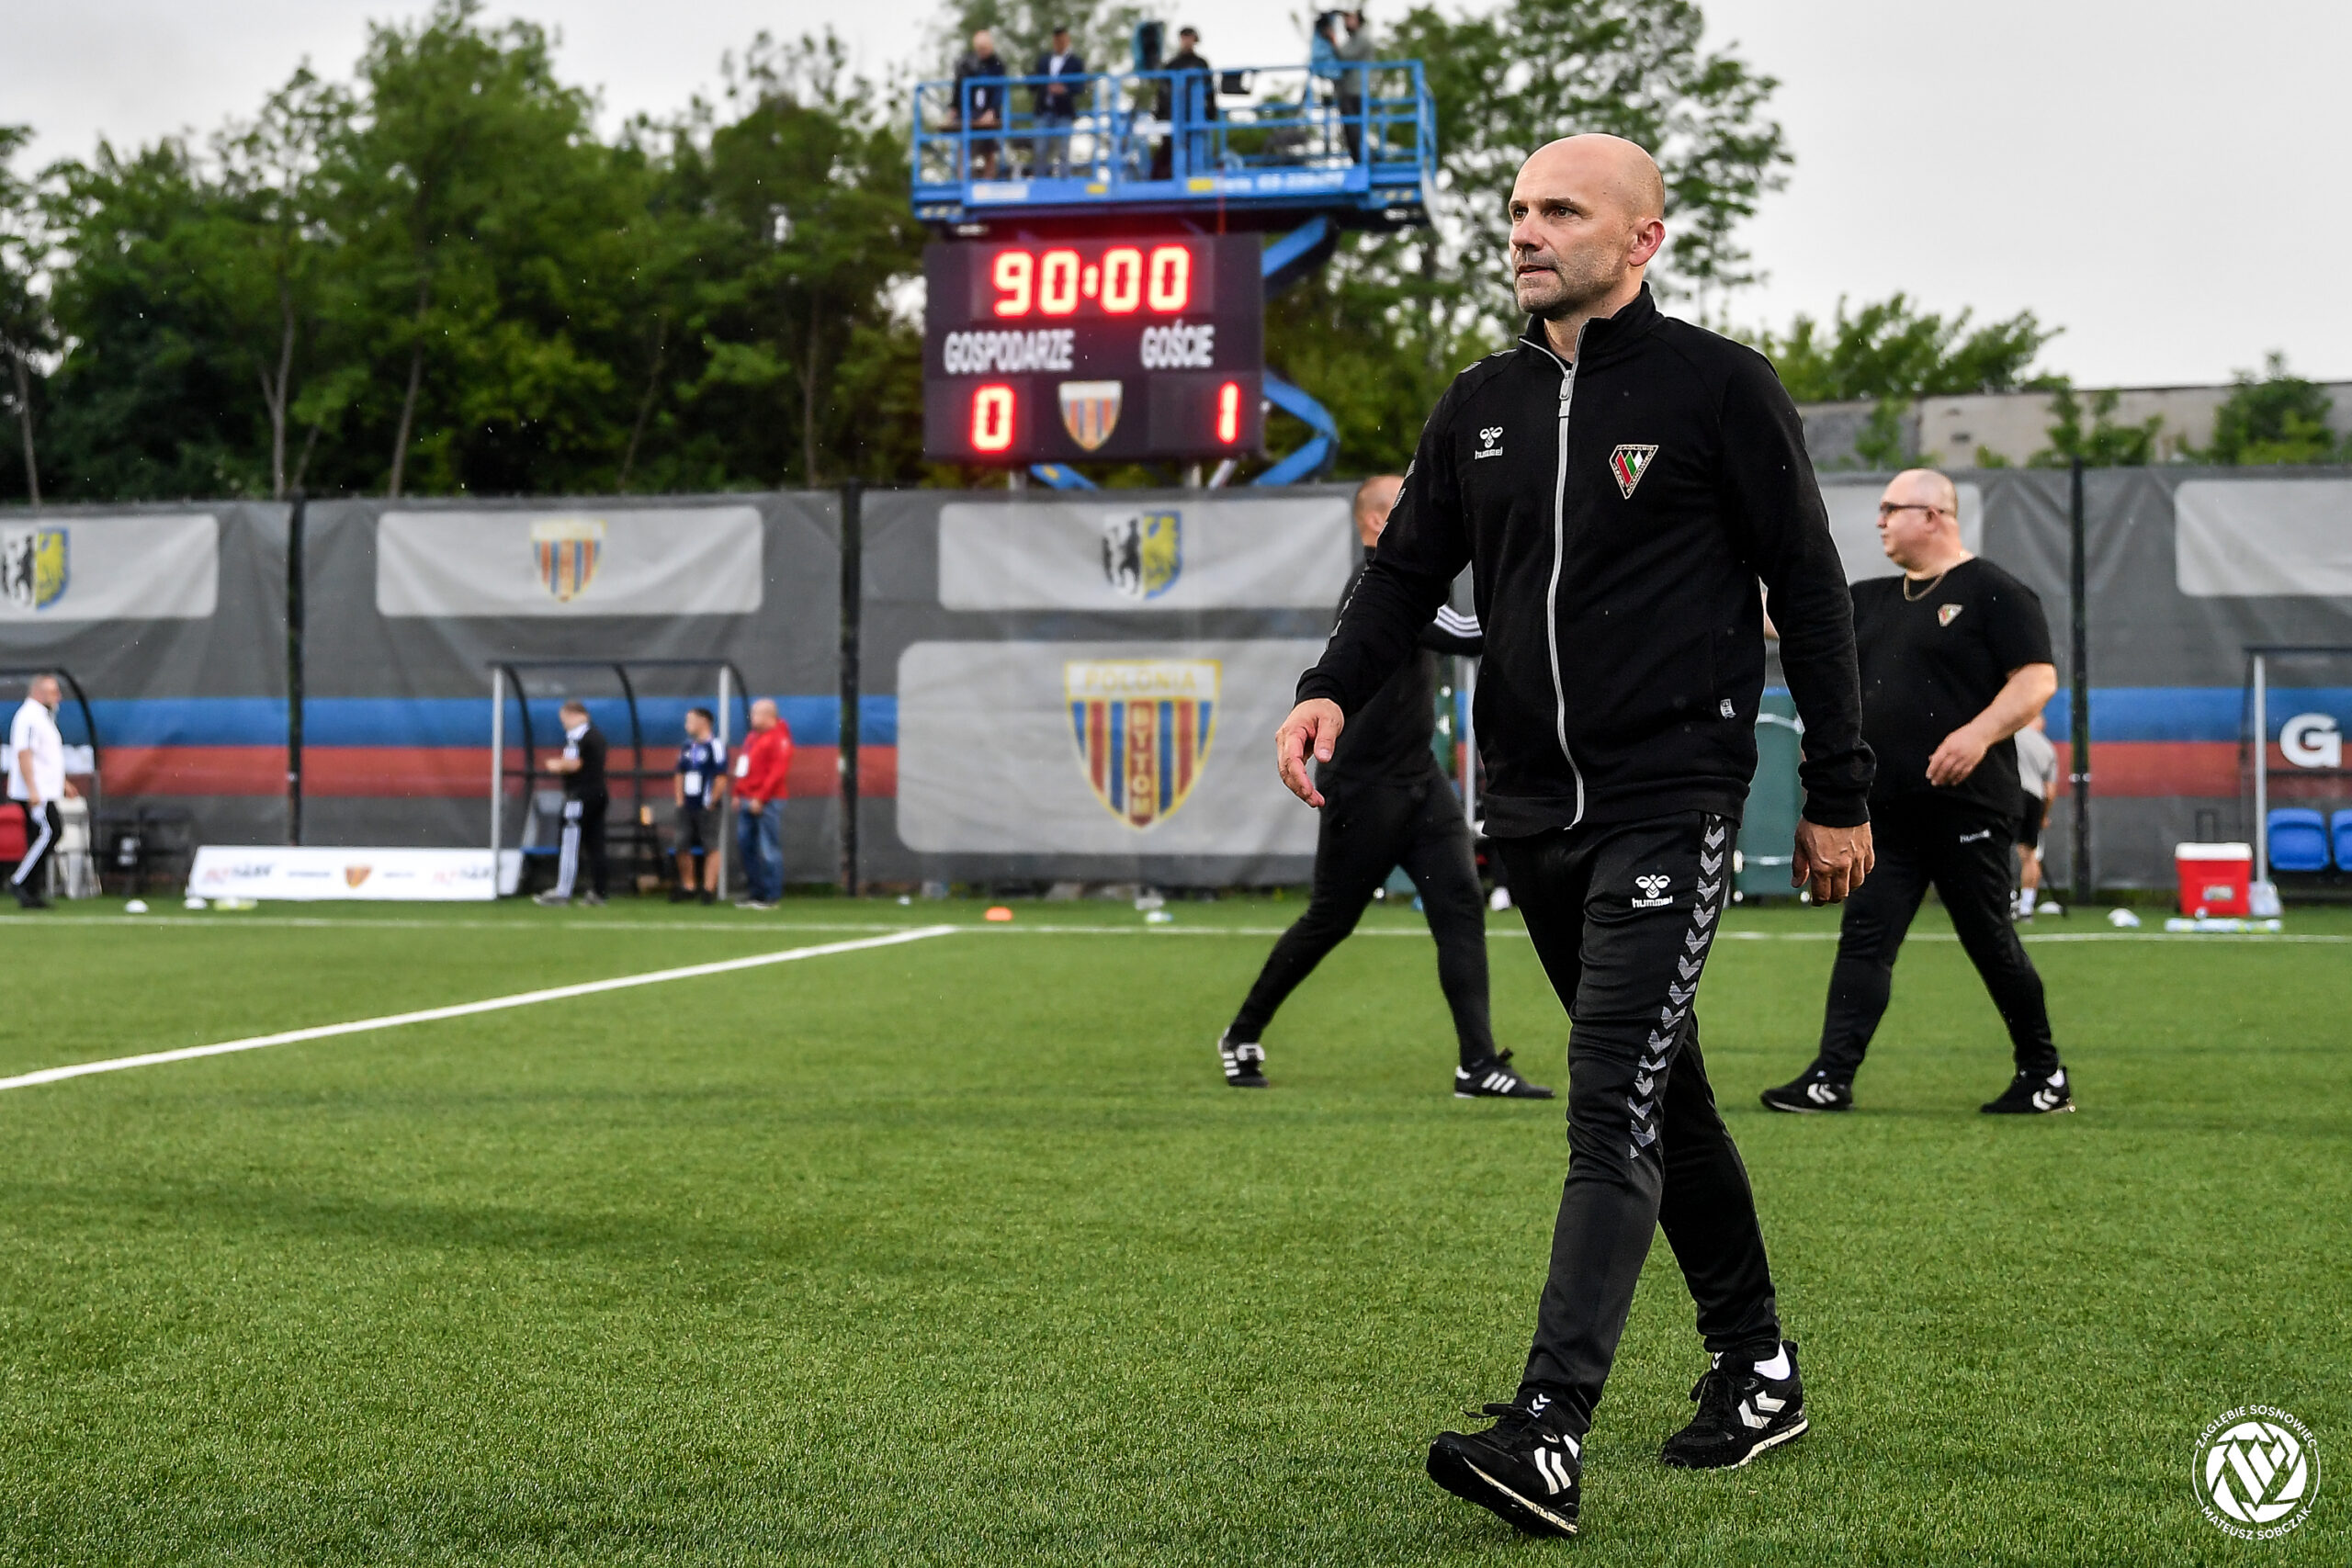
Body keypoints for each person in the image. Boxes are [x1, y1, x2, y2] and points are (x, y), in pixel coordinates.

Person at [1276, 134, 1874, 1538]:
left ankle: (1547, 1427)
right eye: (1517, 210)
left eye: (1560, 210)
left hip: (1672, 796)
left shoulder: (1719, 386)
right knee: (1666, 1092)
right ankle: (1758, 1365)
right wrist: (1326, 686)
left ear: (1643, 238)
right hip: (1530, 809)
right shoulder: (1479, 401)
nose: (1526, 231)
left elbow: (1810, 586)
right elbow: (1403, 574)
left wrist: (1840, 786)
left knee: (1609, 1097)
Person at [1218, 474, 1548, 1101]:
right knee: (1330, 919)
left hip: (1419, 779)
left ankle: (1477, 1063)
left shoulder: (1407, 576)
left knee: (1460, 906)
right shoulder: (1386, 582)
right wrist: (1542, 582)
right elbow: (1469, 634)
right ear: (1375, 523)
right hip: (1363, 787)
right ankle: (1241, 1034)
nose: (1424, 512)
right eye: (1405, 504)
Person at [1761, 469, 2073, 1117]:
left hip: (1966, 807)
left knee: (1989, 939)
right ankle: (1831, 1077)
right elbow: (1788, 621)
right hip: (1888, 812)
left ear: (1933, 515)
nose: (1879, 520)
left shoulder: (1994, 591)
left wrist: (1977, 734)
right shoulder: (1872, 599)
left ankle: (2044, 1074)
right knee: (1864, 941)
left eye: (1890, 508)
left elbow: (2037, 679)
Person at [8, 673, 74, 910]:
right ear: (38, 692)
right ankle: (19, 881)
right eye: (53, 692)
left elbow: (45, 757)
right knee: (51, 831)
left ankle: (31, 892)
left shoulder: (43, 716)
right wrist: (32, 790)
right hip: (37, 791)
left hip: (46, 788)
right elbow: (24, 753)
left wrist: (63, 782)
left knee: (38, 836)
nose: (58, 697)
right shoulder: (28, 716)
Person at [535, 699, 608, 907]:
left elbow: (574, 764)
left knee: (569, 841)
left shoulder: (578, 736)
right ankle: (599, 892)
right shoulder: (597, 735)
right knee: (596, 844)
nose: (564, 724)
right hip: (598, 793)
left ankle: (563, 891)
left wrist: (555, 764)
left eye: (564, 719)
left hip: (579, 796)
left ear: (576, 715)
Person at [731, 698, 793, 910]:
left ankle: (771, 896)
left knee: (768, 849)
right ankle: (755, 893)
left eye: (756, 713)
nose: (752, 717)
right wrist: (737, 792)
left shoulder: (780, 738)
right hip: (747, 799)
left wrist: (761, 797)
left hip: (768, 801)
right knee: (745, 846)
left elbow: (777, 772)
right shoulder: (752, 737)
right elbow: (744, 766)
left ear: (769, 716)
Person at [673, 707, 728, 906]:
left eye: (690, 720)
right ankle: (689, 886)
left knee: (710, 845)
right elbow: (679, 773)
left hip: (707, 806)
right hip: (687, 805)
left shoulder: (715, 746)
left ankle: (708, 889)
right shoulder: (687, 746)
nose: (687, 725)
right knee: (681, 844)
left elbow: (721, 776)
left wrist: (712, 800)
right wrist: (680, 799)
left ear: (703, 721)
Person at [1152, 27, 1215, 179]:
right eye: (1184, 38)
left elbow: (1209, 90)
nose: (1187, 41)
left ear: (1195, 40)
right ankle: (1160, 178)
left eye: (1190, 38)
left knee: (1196, 149)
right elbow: (1162, 92)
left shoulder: (1201, 63)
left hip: (1195, 117)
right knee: (1169, 150)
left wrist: (1211, 112)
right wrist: (1160, 115)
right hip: (1174, 116)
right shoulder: (1172, 64)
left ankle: (1193, 175)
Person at [2013, 712, 2058, 918]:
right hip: (2035, 798)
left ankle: (2004, 900)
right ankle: (2026, 907)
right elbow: (2050, 791)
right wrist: (2043, 816)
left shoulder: (2014, 735)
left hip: (2012, 793)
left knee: (1997, 848)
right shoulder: (2048, 748)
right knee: (2030, 855)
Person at [1031, 26, 1086, 177]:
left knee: (1063, 149)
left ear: (1067, 41)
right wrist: (1041, 83)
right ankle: (1040, 181)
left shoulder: (1076, 62)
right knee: (1040, 149)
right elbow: (1033, 84)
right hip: (1044, 110)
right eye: (1057, 40)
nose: (1059, 43)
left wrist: (1065, 89)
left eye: (1062, 40)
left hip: (1063, 111)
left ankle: (1064, 180)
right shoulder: (1043, 60)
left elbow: (1080, 86)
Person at [953, 30, 1007, 177]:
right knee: (964, 147)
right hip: (969, 112)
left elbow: (999, 90)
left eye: (984, 48)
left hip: (988, 113)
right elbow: (958, 86)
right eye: (979, 48)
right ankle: (962, 180)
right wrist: (954, 107)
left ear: (990, 46)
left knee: (989, 149)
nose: (982, 51)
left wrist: (992, 111)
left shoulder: (997, 65)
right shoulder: (967, 62)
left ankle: (989, 180)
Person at [1331, 7, 1376, 161]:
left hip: (1356, 90)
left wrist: (1332, 40)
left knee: (1354, 127)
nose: (1346, 22)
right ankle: (1359, 157)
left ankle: (1363, 157)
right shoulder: (1354, 39)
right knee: (1351, 128)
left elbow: (1345, 55)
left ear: (1358, 20)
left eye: (1349, 18)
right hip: (1350, 90)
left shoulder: (1363, 38)